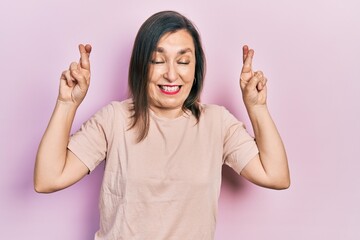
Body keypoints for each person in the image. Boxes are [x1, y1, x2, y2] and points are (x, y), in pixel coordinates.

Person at [34, 10, 290, 239]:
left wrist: (256, 107)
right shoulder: (114, 119)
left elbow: (276, 175)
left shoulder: (217, 123)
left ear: (196, 68)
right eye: (157, 60)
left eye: (183, 61)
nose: (171, 73)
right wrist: (66, 103)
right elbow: (48, 179)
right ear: (141, 66)